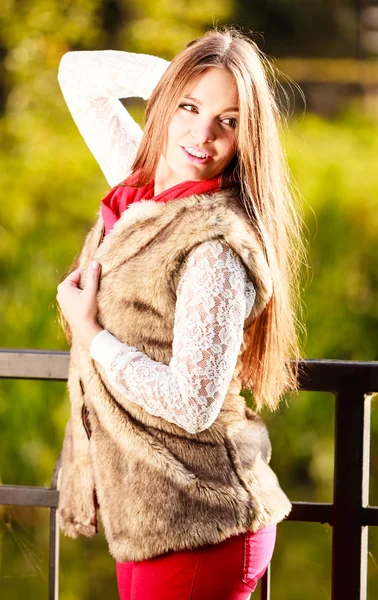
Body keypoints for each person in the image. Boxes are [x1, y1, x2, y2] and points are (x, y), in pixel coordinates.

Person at [56, 27, 303, 600]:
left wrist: (91, 334)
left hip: (202, 518)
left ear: (248, 138)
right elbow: (77, 75)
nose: (201, 134)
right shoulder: (141, 187)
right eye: (188, 108)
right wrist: (185, 76)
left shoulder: (215, 245)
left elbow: (192, 404)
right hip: (151, 514)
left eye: (230, 121)